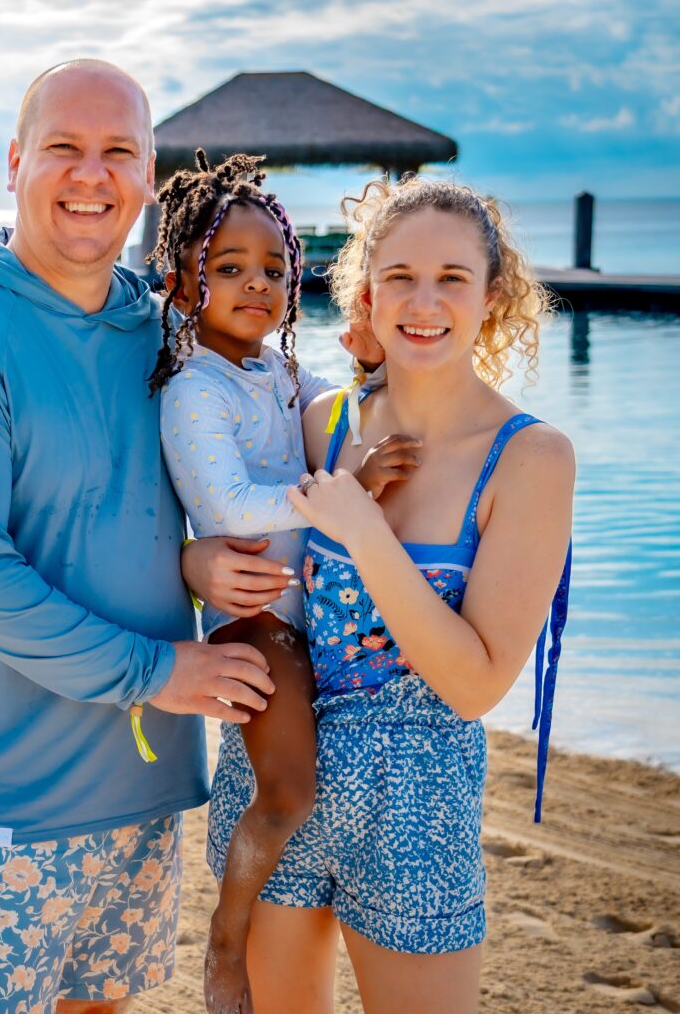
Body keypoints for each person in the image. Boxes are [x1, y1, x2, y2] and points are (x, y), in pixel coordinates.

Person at [0, 60, 286, 1014]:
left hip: (140, 785)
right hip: (0, 798)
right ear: (17, 160)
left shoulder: (165, 335)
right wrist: (162, 672)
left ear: (149, 175)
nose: (91, 174)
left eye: (119, 151)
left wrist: (196, 562)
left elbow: (149, 500)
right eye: (64, 147)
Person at [206, 177, 575, 1014]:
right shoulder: (321, 423)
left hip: (418, 806)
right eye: (400, 276)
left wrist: (364, 532)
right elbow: (224, 533)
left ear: (495, 296)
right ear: (366, 293)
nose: (424, 300)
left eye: (452, 277)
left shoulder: (532, 460)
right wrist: (201, 569)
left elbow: (476, 684)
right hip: (275, 773)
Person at [148, 149, 386, 1014]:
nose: (257, 284)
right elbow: (232, 505)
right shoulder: (192, 391)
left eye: (274, 269)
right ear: (182, 285)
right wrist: (343, 496)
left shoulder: (280, 373)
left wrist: (373, 363)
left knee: (307, 784)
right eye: (227, 268)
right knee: (290, 791)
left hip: (308, 618)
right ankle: (225, 937)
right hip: (255, 624)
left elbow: (346, 415)